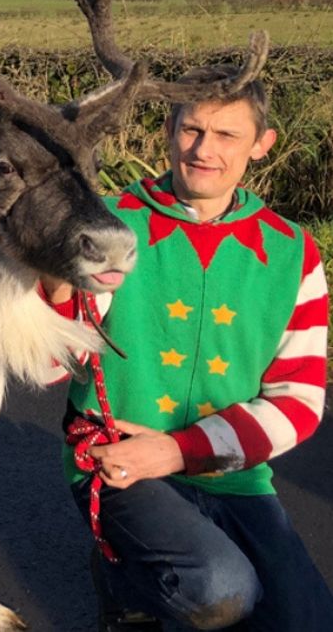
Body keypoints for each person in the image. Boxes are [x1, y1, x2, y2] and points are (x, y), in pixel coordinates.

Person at [42, 65, 332, 631]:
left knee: (309, 622)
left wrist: (179, 450)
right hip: (118, 463)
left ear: (262, 144)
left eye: (226, 135)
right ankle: (124, 579)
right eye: (192, 129)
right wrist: (51, 288)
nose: (204, 150)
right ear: (169, 131)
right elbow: (53, 366)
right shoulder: (108, 225)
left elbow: (298, 401)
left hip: (234, 472)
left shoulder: (293, 252)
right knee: (221, 592)